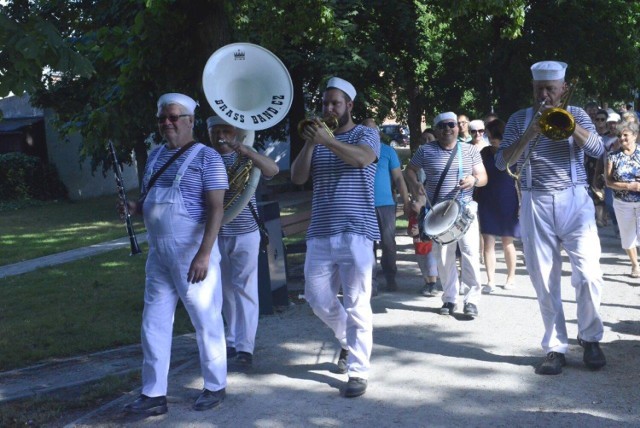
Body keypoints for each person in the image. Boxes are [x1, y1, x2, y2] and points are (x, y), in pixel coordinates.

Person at [495, 61, 607, 375]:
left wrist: (573, 127)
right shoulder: (520, 119)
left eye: (550, 89)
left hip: (574, 197)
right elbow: (503, 163)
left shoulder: (579, 115)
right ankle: (555, 347)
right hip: (534, 199)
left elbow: (598, 150)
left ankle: (590, 337)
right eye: (539, 89)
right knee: (544, 278)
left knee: (589, 274)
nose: (544, 95)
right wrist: (531, 132)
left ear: (564, 89)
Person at [122, 93, 228, 415]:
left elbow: (216, 209)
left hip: (191, 252)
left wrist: (204, 254)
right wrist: (134, 208)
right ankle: (154, 394)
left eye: (173, 117)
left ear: (190, 121)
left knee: (205, 319)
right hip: (159, 255)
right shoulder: (155, 157)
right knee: (153, 322)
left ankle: (215, 384)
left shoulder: (208, 158)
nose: (166, 123)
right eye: (162, 118)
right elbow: (150, 202)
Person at [290, 77, 380, 398]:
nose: (328, 109)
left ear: (349, 106)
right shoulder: (317, 142)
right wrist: (312, 143)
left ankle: (358, 371)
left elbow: (361, 159)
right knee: (315, 298)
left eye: (335, 104)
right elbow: (298, 177)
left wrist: (326, 141)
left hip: (357, 229)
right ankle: (346, 341)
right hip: (321, 230)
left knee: (357, 303)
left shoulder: (365, 134)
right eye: (325, 103)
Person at [207, 115, 279, 367]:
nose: (220, 136)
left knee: (246, 288)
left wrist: (245, 150)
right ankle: (231, 340)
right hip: (216, 233)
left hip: (246, 230)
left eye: (225, 130)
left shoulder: (247, 154)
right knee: (224, 290)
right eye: (215, 131)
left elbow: (272, 170)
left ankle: (246, 346)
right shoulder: (206, 157)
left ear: (236, 132)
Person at [405, 111, 487, 318]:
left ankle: (472, 300)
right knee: (443, 257)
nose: (447, 129)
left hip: (464, 209)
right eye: (442, 126)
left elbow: (483, 177)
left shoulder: (470, 150)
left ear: (458, 127)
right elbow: (410, 170)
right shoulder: (425, 150)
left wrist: (474, 181)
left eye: (451, 125)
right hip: (438, 214)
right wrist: (415, 185)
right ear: (436, 130)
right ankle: (450, 298)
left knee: (469, 253)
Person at [363, 118, 410, 292]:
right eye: (367, 131)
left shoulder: (388, 151)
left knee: (388, 243)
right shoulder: (356, 152)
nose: (371, 134)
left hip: (385, 205)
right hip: (363, 205)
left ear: (378, 133)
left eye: (373, 131)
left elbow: (398, 178)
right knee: (366, 245)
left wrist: (406, 201)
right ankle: (370, 282)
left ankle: (390, 277)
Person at [474, 119, 520, 293]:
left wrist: (522, 201)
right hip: (486, 198)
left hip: (507, 198)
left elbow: (519, 177)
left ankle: (511, 277)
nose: (493, 139)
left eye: (496, 136)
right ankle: (490, 280)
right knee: (488, 241)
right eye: (490, 136)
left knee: (508, 241)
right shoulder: (484, 152)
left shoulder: (511, 152)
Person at [605, 120, 640, 278]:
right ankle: (635, 265)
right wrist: (628, 187)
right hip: (622, 203)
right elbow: (608, 182)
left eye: (625, 135)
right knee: (627, 235)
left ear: (635, 135)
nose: (622, 138)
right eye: (619, 135)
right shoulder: (612, 157)